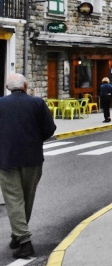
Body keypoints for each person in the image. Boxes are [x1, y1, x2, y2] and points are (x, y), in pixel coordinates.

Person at [0, 73, 56, 259]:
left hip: (6, 158)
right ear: (25, 86)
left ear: (8, 88)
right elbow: (50, 129)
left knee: (13, 199)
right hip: (32, 158)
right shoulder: (37, 103)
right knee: (27, 197)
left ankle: (22, 239)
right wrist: (34, 139)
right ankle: (21, 236)